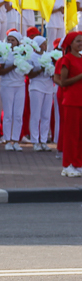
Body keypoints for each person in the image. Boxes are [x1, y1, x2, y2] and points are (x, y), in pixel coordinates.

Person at [57, 32, 82, 177]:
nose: (80, 44)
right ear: (70, 44)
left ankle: (78, 163)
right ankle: (67, 165)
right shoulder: (66, 59)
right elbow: (63, 82)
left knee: (80, 135)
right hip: (71, 101)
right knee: (71, 135)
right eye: (78, 41)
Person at [0, 29, 27, 151]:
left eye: (13, 40)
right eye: (8, 40)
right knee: (8, 114)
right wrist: (13, 66)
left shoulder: (24, 53)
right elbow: (0, 71)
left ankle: (15, 140)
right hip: (7, 85)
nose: (10, 42)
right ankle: (7, 139)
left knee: (18, 115)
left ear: (18, 42)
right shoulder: (3, 52)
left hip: (20, 85)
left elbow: (28, 69)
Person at [28, 36, 56, 152]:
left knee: (46, 115)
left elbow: (53, 74)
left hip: (48, 88)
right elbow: (30, 75)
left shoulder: (49, 56)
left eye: (45, 43)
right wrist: (40, 69)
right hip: (36, 87)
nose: (44, 46)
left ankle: (43, 140)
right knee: (36, 115)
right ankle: (35, 141)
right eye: (42, 44)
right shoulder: (31, 57)